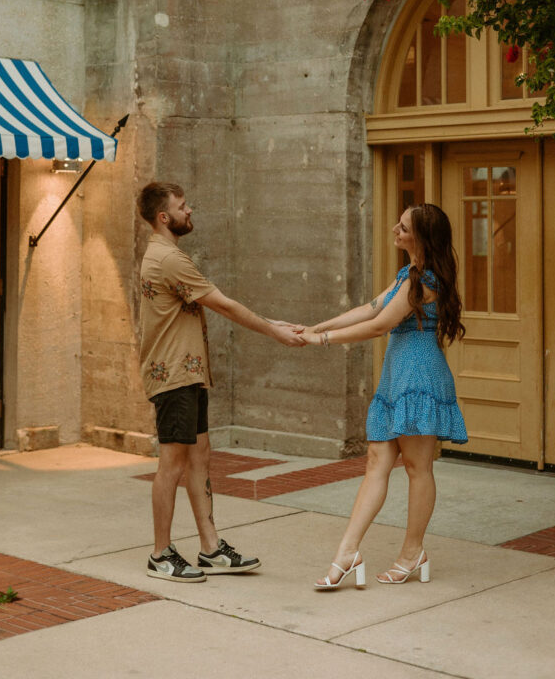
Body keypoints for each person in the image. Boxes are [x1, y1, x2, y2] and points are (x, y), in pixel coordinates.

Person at [138, 181, 305, 583]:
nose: (189, 210)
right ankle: (161, 554)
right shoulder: (169, 259)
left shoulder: (167, 254)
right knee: (171, 464)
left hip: (187, 373)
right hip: (174, 374)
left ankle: (211, 549)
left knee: (199, 457)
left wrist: (272, 322)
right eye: (182, 206)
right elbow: (223, 304)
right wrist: (274, 332)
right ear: (165, 217)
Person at [300, 203, 467, 588]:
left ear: (421, 237)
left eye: (403, 226)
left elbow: (379, 325)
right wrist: (314, 326)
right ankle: (347, 553)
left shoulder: (426, 280)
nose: (395, 228)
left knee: (416, 467)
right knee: (376, 461)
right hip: (397, 378)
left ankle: (412, 553)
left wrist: (321, 340)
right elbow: (371, 307)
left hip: (419, 378)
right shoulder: (407, 274)